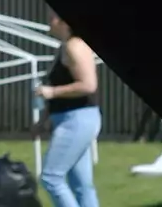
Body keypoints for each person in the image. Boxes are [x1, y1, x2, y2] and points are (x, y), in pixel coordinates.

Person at [36, 11, 101, 207]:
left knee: (50, 177)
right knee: (81, 184)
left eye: (53, 17)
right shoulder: (65, 46)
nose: (49, 20)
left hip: (77, 119)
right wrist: (43, 120)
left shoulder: (75, 46)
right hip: (69, 118)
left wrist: (53, 91)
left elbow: (89, 85)